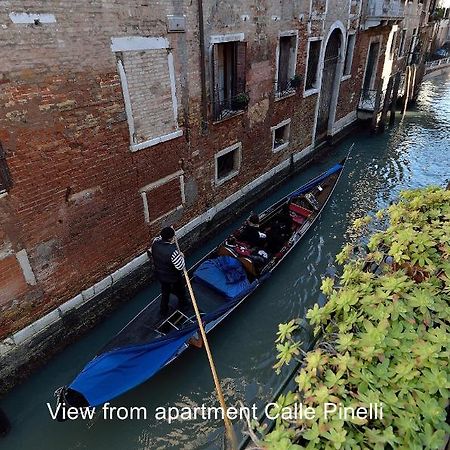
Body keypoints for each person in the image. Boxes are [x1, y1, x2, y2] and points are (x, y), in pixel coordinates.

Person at [151, 226, 189, 317]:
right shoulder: (173, 252)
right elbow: (180, 266)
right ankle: (184, 305)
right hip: (173, 278)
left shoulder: (155, 244)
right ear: (170, 238)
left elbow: (159, 238)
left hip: (160, 276)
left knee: (165, 293)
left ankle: (163, 311)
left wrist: (170, 230)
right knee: (181, 292)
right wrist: (182, 256)